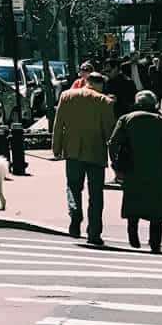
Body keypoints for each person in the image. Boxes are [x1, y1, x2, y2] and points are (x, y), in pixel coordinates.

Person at [109, 91, 162, 253]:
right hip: (156, 170)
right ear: (154, 105)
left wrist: (116, 165)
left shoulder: (125, 119)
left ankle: (133, 234)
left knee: (133, 201)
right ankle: (155, 242)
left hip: (132, 169)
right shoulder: (160, 121)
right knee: (157, 206)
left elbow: (113, 143)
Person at [53, 72, 117, 245]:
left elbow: (59, 124)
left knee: (73, 187)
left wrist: (56, 147)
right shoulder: (105, 102)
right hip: (96, 152)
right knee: (96, 195)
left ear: (86, 82)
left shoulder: (67, 96)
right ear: (100, 85)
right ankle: (94, 233)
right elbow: (109, 132)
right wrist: (114, 157)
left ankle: (74, 212)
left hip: (72, 151)